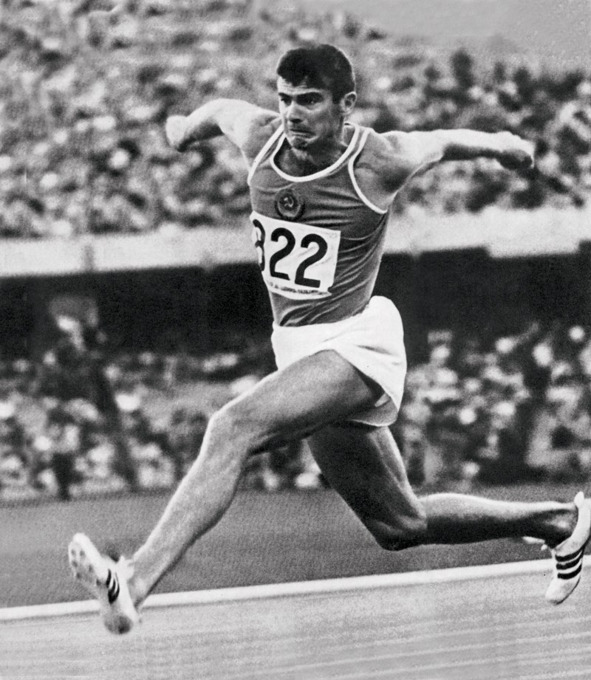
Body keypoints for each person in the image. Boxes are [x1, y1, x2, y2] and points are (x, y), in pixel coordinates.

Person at [68, 44, 590, 634]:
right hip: (298, 350)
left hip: (355, 344)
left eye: (310, 101)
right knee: (401, 524)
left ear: (346, 104)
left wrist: (502, 145)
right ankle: (558, 523)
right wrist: (184, 129)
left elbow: (444, 141)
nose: (293, 114)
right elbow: (220, 110)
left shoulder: (377, 160)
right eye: (286, 99)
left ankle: (133, 580)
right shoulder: (260, 137)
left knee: (232, 427)